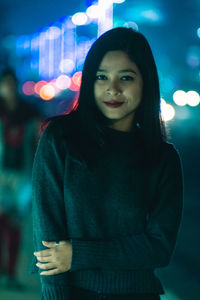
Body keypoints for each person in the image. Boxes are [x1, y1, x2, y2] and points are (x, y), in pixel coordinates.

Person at [31, 27, 183, 300]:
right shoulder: (61, 140)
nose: (112, 89)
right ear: (90, 82)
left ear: (145, 83)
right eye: (101, 77)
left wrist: (78, 254)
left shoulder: (163, 158)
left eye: (126, 77)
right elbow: (48, 248)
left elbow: (159, 248)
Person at [0, 68, 40, 288]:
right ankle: (5, 271)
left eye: (11, 83)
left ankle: (10, 273)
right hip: (1, 176)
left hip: (21, 177)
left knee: (14, 225)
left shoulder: (29, 113)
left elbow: (37, 141)